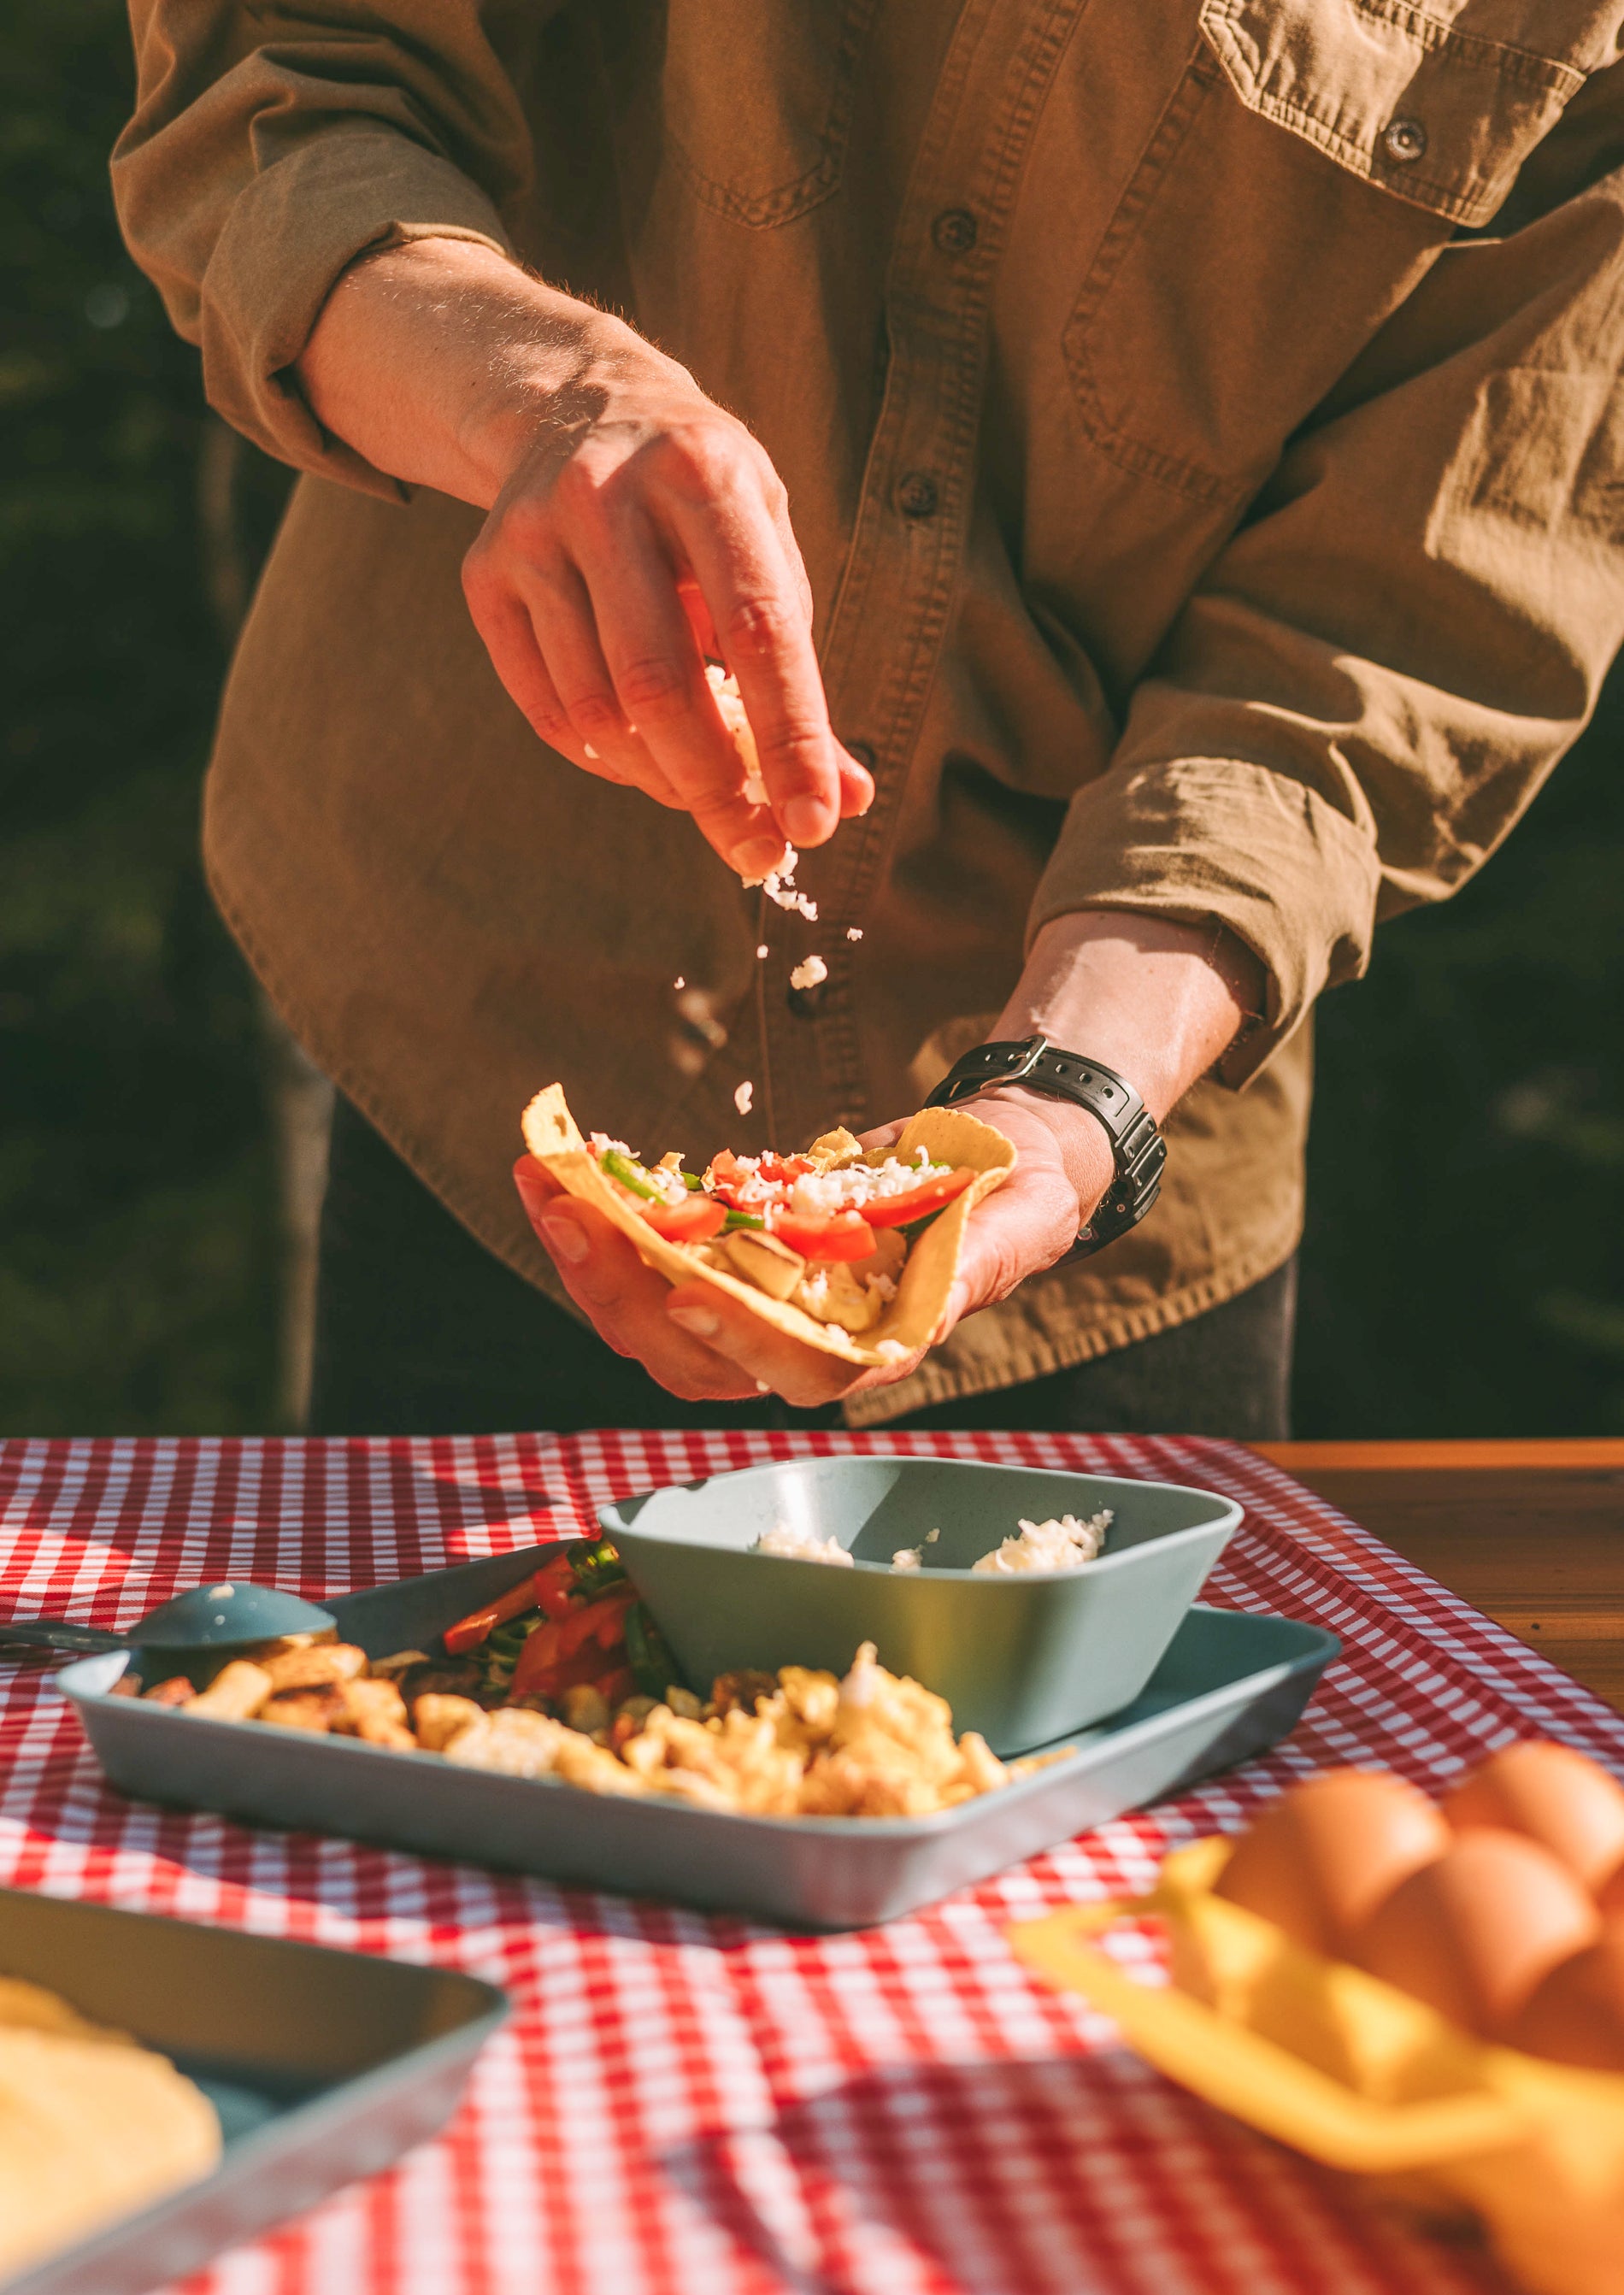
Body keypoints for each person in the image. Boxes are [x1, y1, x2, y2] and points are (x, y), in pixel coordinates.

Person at [114, 3, 1624, 1438]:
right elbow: (275, 80)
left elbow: (1418, 592)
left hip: (1115, 1218)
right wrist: (539, 392)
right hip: (482, 1022)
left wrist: (1075, 1096)